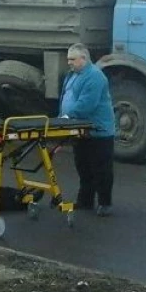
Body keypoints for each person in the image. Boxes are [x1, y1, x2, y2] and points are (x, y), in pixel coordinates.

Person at [59, 43, 116, 217]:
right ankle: (85, 200)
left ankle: (105, 203)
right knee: (83, 167)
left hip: (98, 131)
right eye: (68, 59)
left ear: (84, 58)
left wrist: (66, 117)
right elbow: (66, 97)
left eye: (72, 59)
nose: (69, 62)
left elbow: (87, 104)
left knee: (101, 169)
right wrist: (62, 116)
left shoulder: (95, 77)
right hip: (81, 130)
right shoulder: (72, 75)